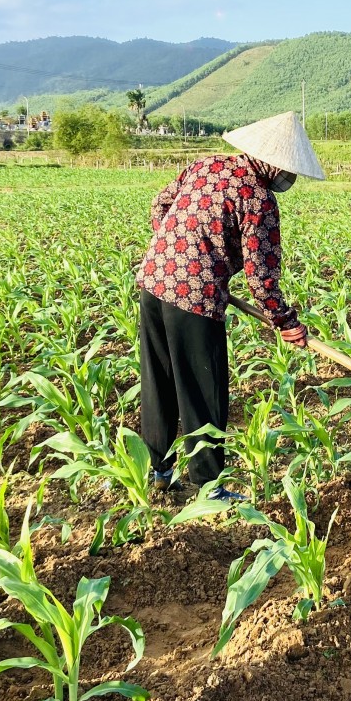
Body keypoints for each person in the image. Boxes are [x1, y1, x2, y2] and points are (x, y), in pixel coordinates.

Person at [136, 110, 324, 499]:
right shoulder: (258, 199)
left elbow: (160, 205)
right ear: (272, 164)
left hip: (154, 278)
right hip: (195, 296)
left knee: (160, 379)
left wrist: (175, 246)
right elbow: (262, 278)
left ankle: (156, 470)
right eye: (287, 170)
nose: (288, 178)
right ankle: (208, 485)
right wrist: (285, 320)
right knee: (203, 387)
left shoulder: (206, 165)